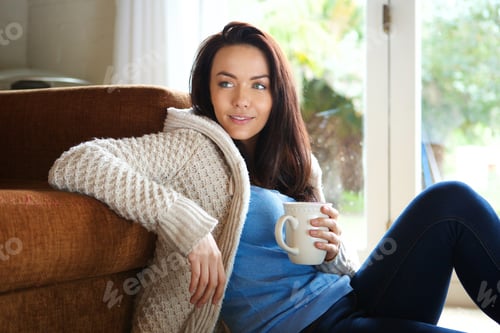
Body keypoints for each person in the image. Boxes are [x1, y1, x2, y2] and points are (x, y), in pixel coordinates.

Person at [48, 21, 499, 333]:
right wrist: (185, 223)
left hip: (355, 296)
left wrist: (333, 245)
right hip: (312, 327)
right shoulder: (191, 150)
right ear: (206, 88)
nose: (242, 100)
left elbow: (332, 266)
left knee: (449, 201)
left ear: (276, 92)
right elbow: (77, 162)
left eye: (258, 85)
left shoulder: (292, 159)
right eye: (226, 83)